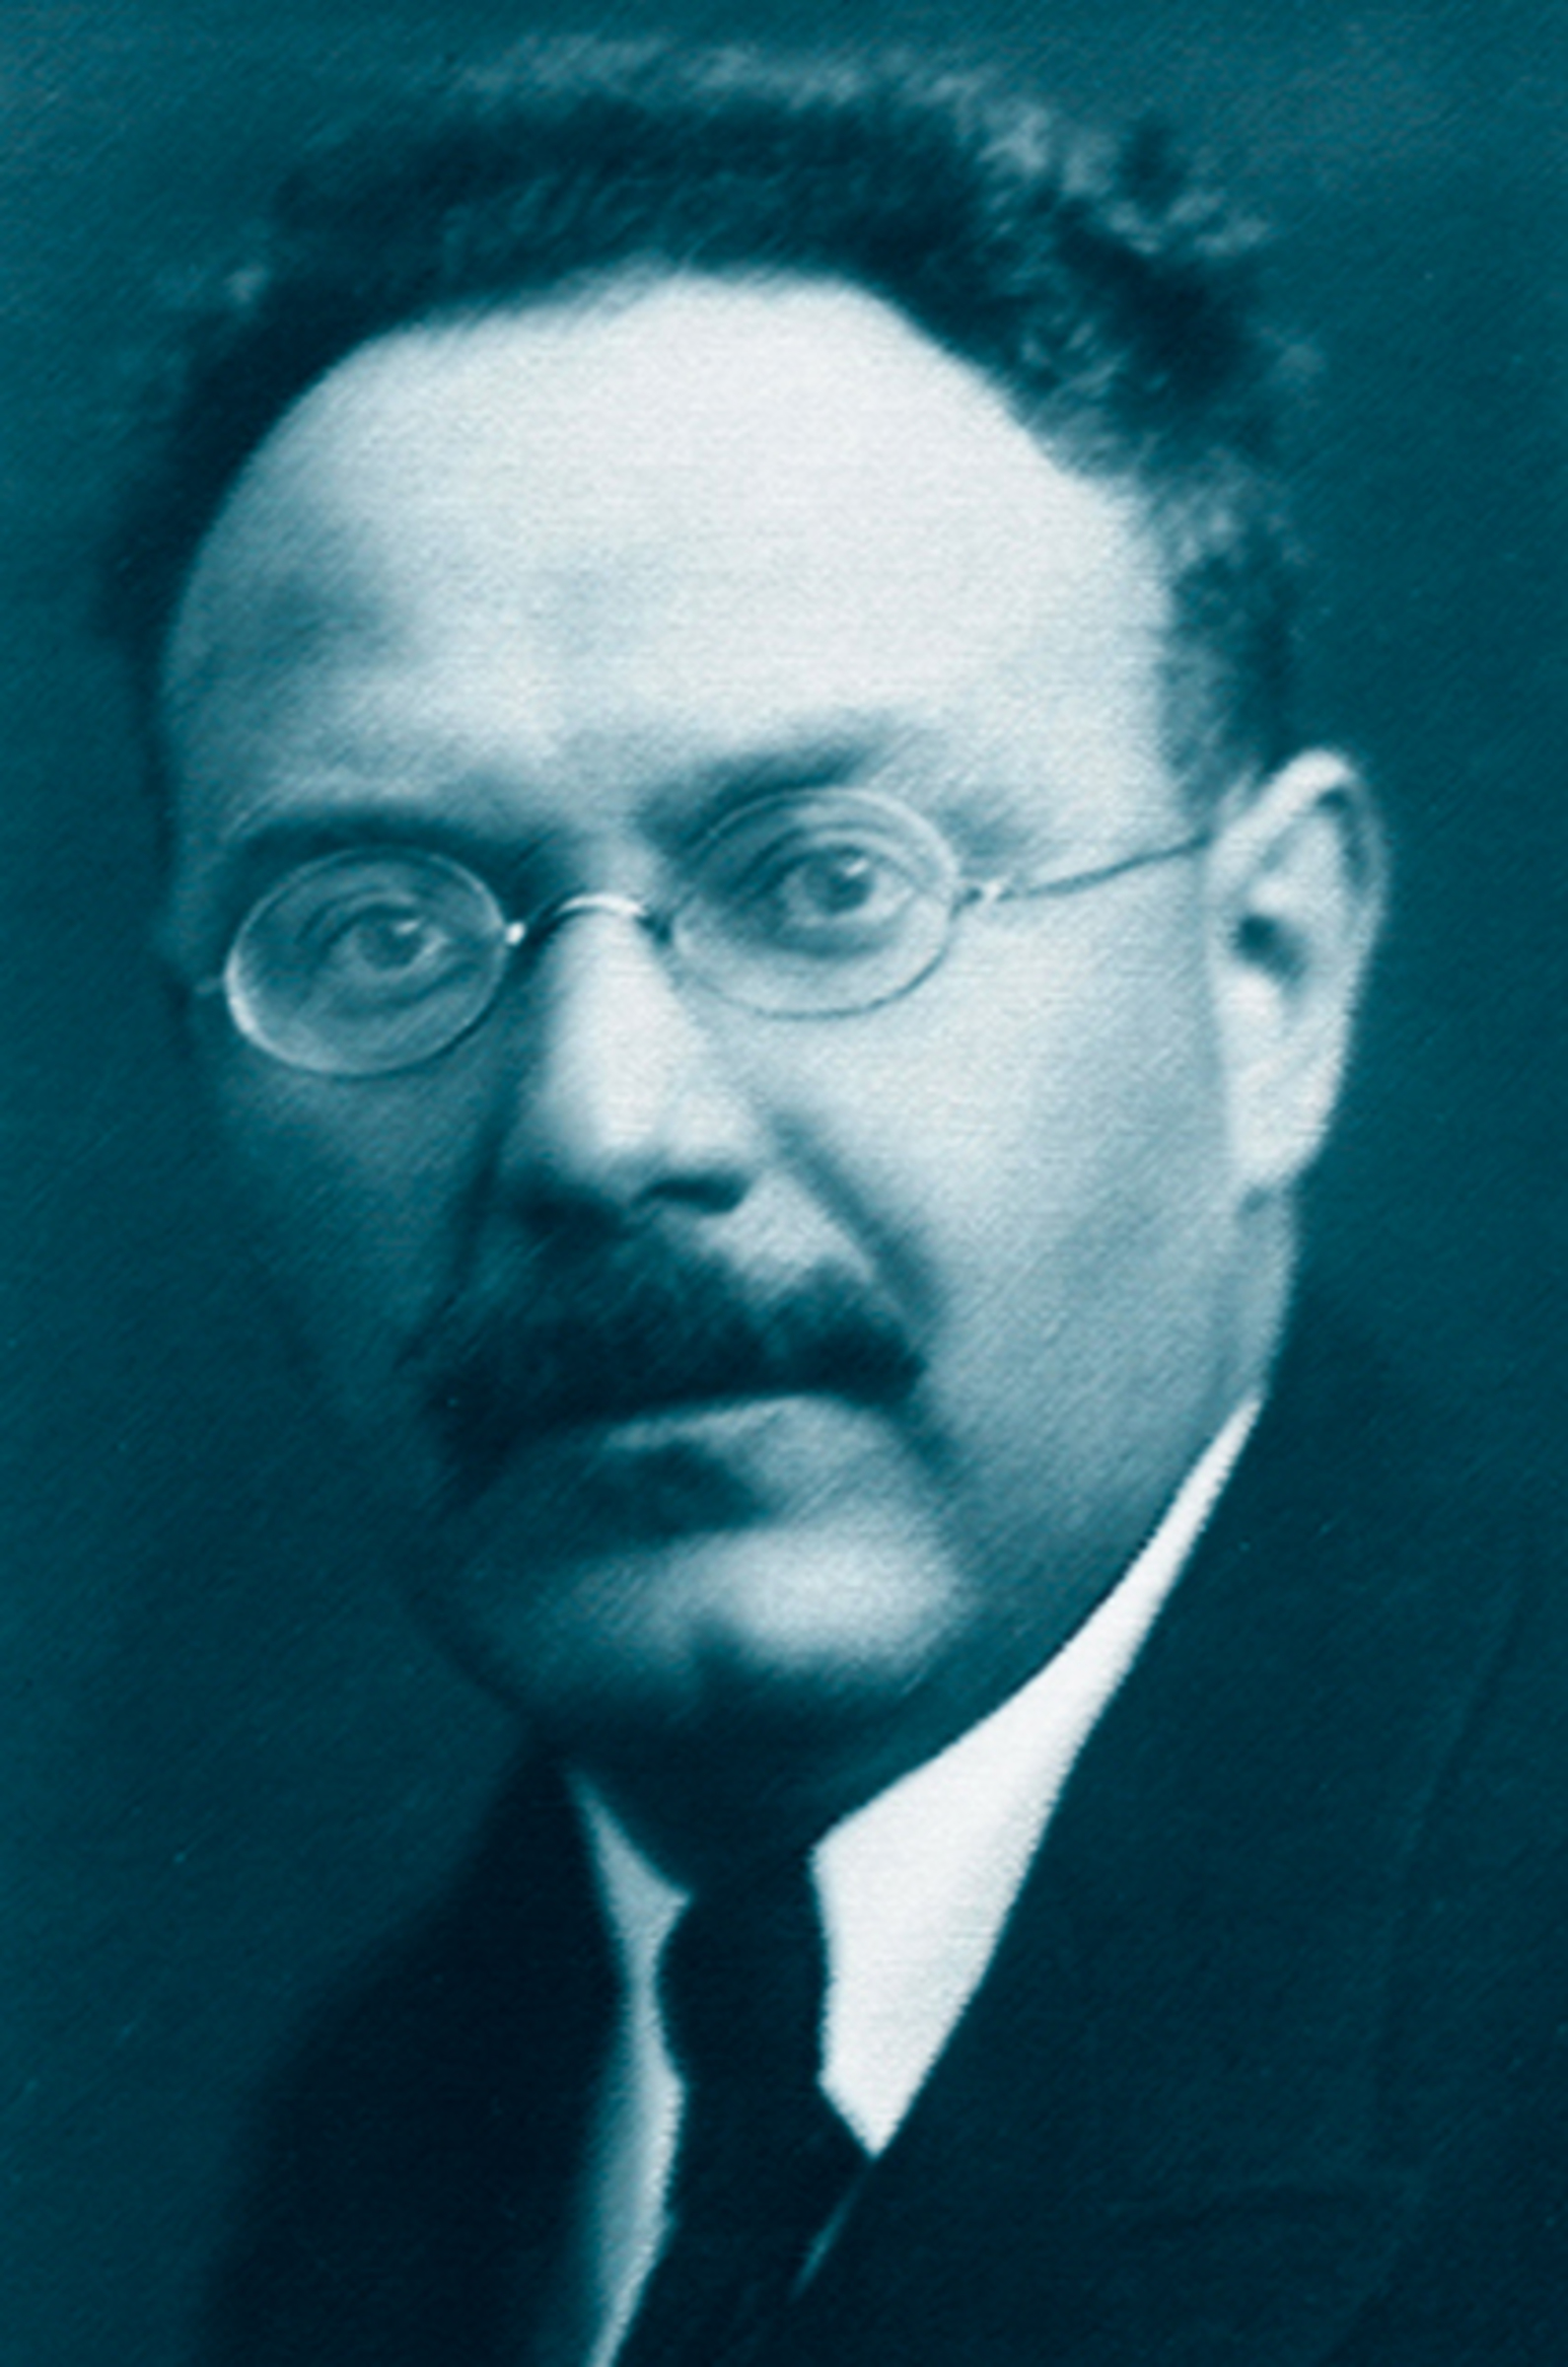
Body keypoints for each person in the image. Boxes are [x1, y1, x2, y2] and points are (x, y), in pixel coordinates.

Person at [102, 35, 1567, 2365]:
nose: (599, 1128)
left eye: (826, 883)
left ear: (1269, 979)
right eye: (377, 931)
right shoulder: (391, 2126)